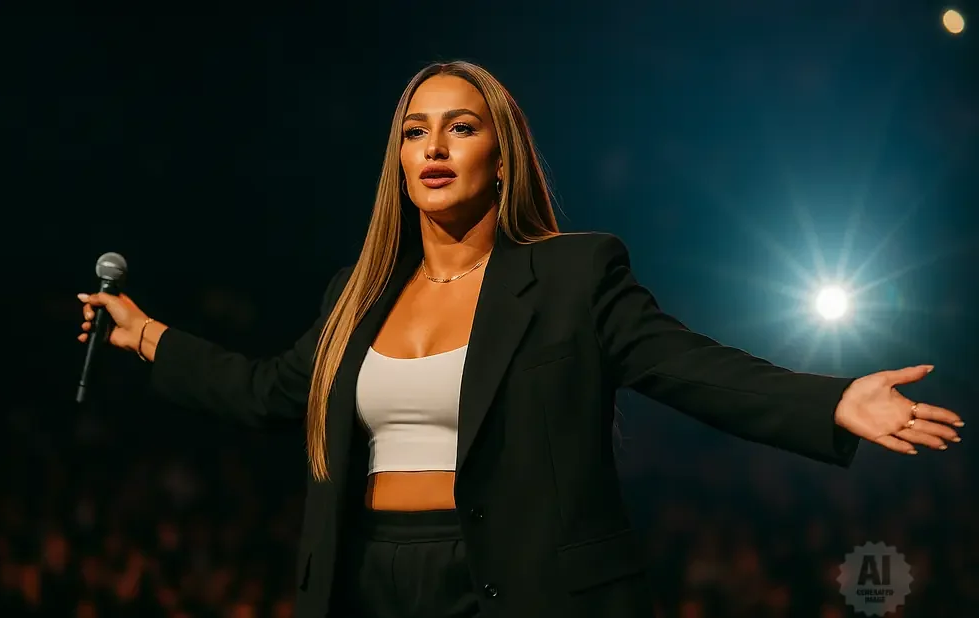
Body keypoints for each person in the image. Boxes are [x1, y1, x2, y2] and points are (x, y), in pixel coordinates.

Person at [77, 61, 965, 618]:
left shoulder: (573, 276)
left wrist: (833, 402)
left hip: (519, 578)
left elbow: (688, 366)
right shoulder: (356, 295)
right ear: (396, 161)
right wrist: (148, 335)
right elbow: (272, 390)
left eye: (460, 127)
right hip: (367, 576)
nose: (434, 146)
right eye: (414, 131)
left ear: (500, 154)